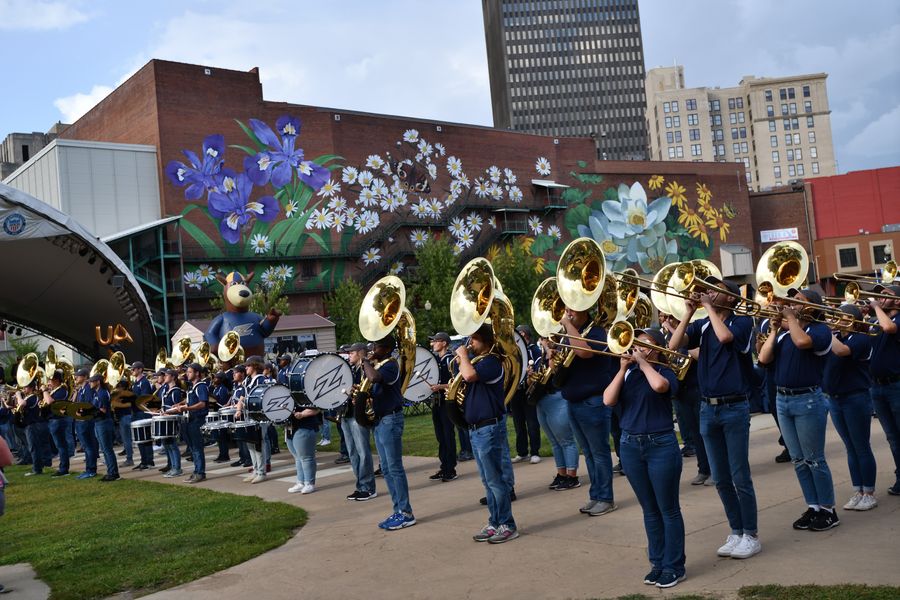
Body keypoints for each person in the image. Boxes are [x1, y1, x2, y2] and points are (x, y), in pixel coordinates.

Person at [668, 279, 760, 559]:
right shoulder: (702, 324)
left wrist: (707, 307)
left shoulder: (743, 322)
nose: (709, 293)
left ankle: (751, 534)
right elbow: (673, 345)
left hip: (734, 407)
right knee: (720, 478)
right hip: (708, 408)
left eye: (716, 290)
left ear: (731, 299)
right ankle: (735, 530)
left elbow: (726, 338)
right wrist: (687, 312)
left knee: (739, 475)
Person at [604, 329, 685, 589]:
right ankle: (658, 564)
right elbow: (608, 400)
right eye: (636, 342)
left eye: (646, 343)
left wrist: (643, 362)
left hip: (660, 444)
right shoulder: (627, 374)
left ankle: (674, 566)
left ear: (659, 348)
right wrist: (622, 369)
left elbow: (661, 387)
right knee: (649, 510)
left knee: (668, 509)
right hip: (630, 445)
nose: (638, 346)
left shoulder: (666, 371)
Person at [758, 288, 838, 531]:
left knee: (814, 459)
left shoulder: (820, 330)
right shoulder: (783, 333)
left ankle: (828, 510)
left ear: (812, 306)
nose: (791, 304)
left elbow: (803, 342)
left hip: (808, 400)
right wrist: (773, 330)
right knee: (798, 460)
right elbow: (763, 359)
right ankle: (813, 506)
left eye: (799, 301)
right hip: (783, 400)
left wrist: (790, 317)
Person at [459, 324, 518, 543]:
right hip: (477, 430)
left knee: (495, 481)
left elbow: (469, 376)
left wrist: (463, 357)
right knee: (487, 481)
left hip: (489, 429)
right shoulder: (480, 362)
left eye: (474, 339)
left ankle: (507, 524)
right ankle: (494, 522)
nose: (470, 343)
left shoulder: (491, 362)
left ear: (486, 341)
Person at [557, 305, 616, 516]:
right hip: (574, 401)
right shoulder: (571, 333)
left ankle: (606, 498)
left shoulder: (597, 332)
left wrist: (566, 324)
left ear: (585, 310)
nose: (568, 312)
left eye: (572, 309)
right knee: (589, 454)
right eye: (567, 309)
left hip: (593, 401)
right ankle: (596, 495)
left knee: (599, 453)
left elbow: (583, 352)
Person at [823, 304, 878, 511]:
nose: (840, 320)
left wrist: (825, 330)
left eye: (845, 317)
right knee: (850, 447)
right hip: (835, 399)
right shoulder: (838, 336)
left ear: (855, 319)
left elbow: (843, 351)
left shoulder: (861, 338)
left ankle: (869, 493)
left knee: (861, 446)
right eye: (838, 316)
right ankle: (859, 490)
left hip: (856, 398)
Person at [363, 336, 415, 530]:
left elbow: (374, 378)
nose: (372, 349)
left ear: (384, 348)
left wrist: (365, 362)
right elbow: (374, 386)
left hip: (390, 420)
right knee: (386, 468)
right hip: (381, 420)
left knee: (394, 468)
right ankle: (398, 510)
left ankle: (406, 512)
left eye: (375, 346)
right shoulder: (382, 364)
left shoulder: (391, 365)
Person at [661, 314, 709, 484]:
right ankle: (703, 469)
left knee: (705, 433)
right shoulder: (665, 336)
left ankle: (714, 470)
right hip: (681, 391)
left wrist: (675, 331)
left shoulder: (692, 332)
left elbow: (699, 354)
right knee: (694, 433)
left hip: (697, 388)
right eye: (663, 316)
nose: (665, 320)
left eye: (670, 317)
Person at [531, 336, 580, 493]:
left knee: (566, 440)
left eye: (547, 338)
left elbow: (555, 370)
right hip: (542, 401)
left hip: (556, 400)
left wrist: (547, 349)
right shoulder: (541, 357)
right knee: (554, 442)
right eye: (542, 338)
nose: (544, 340)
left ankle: (572, 476)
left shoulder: (558, 353)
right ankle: (561, 473)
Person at [868, 283, 900, 497]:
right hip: (877, 387)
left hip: (896, 385)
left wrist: (875, 307)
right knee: (892, 437)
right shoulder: (878, 321)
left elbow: (889, 328)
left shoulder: (895, 321)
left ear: (897, 300)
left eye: (886, 295)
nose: (879, 298)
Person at [342, 342, 377, 501]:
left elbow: (371, 389)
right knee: (353, 453)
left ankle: (368, 487)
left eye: (351, 352)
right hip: (346, 413)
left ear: (360, 353)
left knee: (363, 452)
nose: (349, 355)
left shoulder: (366, 369)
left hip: (358, 414)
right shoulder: (350, 369)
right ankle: (360, 485)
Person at [427, 332, 458, 482]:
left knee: (448, 435)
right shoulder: (435, 361)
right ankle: (444, 465)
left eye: (436, 341)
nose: (433, 344)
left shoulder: (450, 359)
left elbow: (458, 381)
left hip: (447, 401)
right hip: (437, 401)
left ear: (444, 343)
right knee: (440, 436)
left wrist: (441, 386)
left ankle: (451, 468)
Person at [510, 325, 542, 464]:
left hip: (528, 389)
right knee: (518, 423)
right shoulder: (514, 351)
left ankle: (535, 452)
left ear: (526, 335)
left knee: (532, 422)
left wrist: (532, 372)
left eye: (520, 333)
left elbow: (538, 365)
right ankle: (522, 452)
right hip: (516, 390)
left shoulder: (534, 349)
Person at [238, 356, 270, 483]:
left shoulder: (260, 379)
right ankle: (256, 470)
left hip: (259, 417)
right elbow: (242, 397)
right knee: (250, 444)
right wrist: (238, 409)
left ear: (255, 366)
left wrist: (245, 402)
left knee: (258, 444)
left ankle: (262, 472)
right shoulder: (247, 381)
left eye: (248, 365)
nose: (245, 368)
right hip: (249, 416)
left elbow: (261, 397)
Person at [179, 363, 208, 483]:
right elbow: (191, 403)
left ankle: (200, 473)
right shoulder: (192, 387)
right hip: (190, 419)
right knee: (192, 448)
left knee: (197, 448)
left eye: (190, 372)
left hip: (197, 420)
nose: (187, 374)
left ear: (197, 373)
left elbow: (202, 403)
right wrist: (181, 405)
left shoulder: (200, 386)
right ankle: (196, 471)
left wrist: (187, 408)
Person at [16, 377, 50, 476]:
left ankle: (37, 469)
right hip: (29, 425)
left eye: (25, 387)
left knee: (34, 447)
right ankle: (38, 467)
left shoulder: (32, 397)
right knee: (33, 447)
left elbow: (22, 403)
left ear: (30, 387)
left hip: (32, 425)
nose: (23, 389)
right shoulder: (28, 397)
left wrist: (18, 396)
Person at [286, 401, 322, 494]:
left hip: (305, 425)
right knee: (297, 457)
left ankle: (309, 483)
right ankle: (300, 482)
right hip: (290, 426)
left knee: (306, 457)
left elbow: (316, 408)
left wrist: (302, 414)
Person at [89, 374, 120, 482]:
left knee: (107, 449)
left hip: (104, 423)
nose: (90, 383)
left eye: (91, 381)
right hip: (99, 423)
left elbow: (103, 410)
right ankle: (110, 472)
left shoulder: (102, 393)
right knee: (104, 449)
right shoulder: (97, 393)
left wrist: (91, 411)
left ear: (98, 381)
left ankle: (113, 473)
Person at [44, 370, 73, 477]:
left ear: (56, 380)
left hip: (58, 420)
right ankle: (63, 467)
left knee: (61, 446)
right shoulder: (55, 390)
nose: (48, 382)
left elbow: (50, 402)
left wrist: (44, 391)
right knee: (59, 446)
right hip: (54, 420)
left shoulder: (62, 390)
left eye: (50, 380)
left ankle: (64, 469)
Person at [73, 368, 99, 479]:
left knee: (89, 446)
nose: (76, 378)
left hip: (86, 421)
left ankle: (91, 469)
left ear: (84, 377)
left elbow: (87, 405)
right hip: (81, 421)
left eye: (78, 376)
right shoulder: (82, 389)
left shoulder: (88, 388)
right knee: (86, 446)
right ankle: (88, 469)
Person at [130, 362, 156, 471]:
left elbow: (144, 399)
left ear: (140, 369)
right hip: (136, 412)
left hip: (143, 413)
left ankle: (149, 461)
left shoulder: (144, 382)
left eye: (134, 369)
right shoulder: (134, 383)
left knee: (146, 437)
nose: (132, 371)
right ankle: (143, 461)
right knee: (139, 438)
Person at [159, 369, 183, 478]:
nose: (165, 377)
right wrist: (161, 411)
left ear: (173, 377)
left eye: (167, 375)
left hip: (172, 421)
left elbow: (178, 408)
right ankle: (172, 467)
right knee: (167, 445)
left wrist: (167, 413)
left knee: (172, 445)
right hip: (165, 420)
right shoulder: (166, 391)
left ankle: (177, 468)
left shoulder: (176, 391)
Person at [228, 365, 253, 468]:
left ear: (242, 374)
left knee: (244, 437)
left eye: (236, 372)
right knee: (239, 438)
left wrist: (237, 406)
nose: (233, 374)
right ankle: (242, 458)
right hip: (236, 413)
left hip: (243, 414)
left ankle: (248, 458)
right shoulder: (236, 386)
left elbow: (243, 400)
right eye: (233, 373)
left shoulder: (244, 386)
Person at [211, 373, 232, 463]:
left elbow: (222, 401)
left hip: (222, 413)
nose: (214, 379)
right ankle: (221, 454)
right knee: (219, 437)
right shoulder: (216, 388)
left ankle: (225, 455)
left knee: (222, 436)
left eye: (216, 378)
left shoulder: (223, 389)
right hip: (217, 413)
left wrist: (213, 399)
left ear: (221, 379)